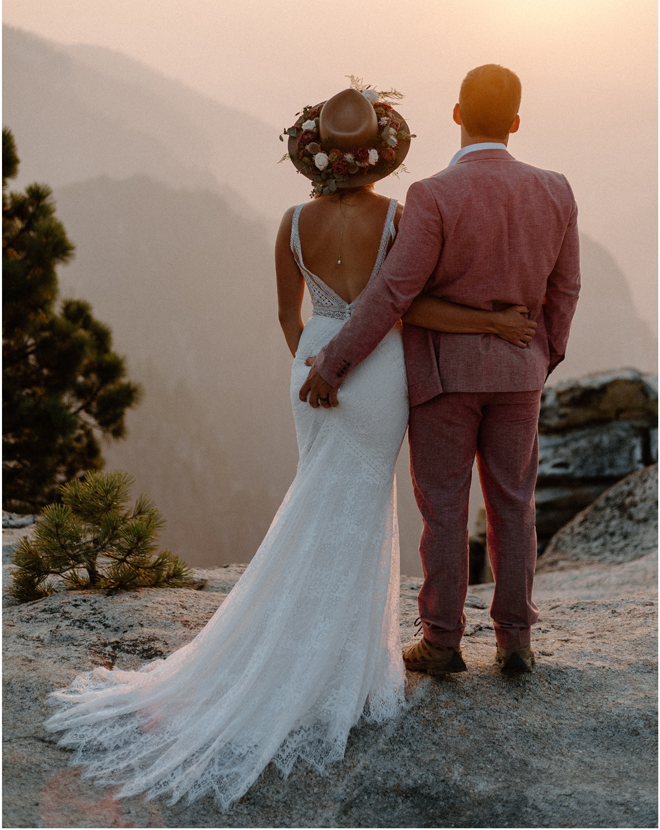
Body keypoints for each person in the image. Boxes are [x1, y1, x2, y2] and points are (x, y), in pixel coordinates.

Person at [46, 85, 534, 811]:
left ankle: (293, 652)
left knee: (316, 494)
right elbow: (404, 305)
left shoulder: (292, 222)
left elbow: (287, 311)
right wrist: (491, 325)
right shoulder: (398, 219)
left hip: (310, 364)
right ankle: (345, 664)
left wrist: (311, 363)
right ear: (379, 155)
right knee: (361, 507)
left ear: (315, 155)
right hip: (376, 373)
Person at [302, 66, 581, 676]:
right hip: (519, 376)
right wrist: (540, 358)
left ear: (457, 114)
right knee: (515, 504)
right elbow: (566, 290)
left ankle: (443, 639)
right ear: (514, 122)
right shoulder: (556, 190)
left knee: (445, 510)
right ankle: (514, 640)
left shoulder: (433, 195)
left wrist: (335, 362)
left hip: (442, 379)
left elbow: (394, 291)